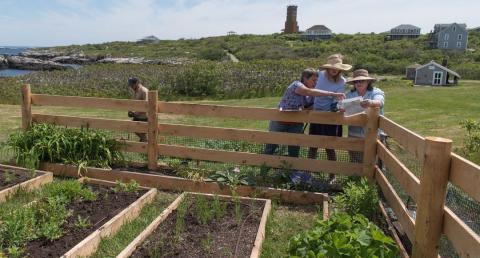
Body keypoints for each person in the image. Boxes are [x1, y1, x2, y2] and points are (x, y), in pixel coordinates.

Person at [264, 68, 345, 158]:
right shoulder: (296, 85)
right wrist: (332, 94)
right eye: (313, 80)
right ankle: (264, 167)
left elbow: (309, 106)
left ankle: (292, 170)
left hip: (296, 123)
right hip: (280, 121)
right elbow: (308, 92)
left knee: (294, 149)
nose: (315, 83)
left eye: (317, 81)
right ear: (305, 78)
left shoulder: (311, 94)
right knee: (271, 146)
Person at [308, 54, 352, 183]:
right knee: (313, 144)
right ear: (327, 67)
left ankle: (332, 175)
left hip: (330, 116)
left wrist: (336, 105)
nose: (334, 69)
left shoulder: (342, 81)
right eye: (332, 67)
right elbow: (309, 88)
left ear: (340, 69)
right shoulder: (319, 75)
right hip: (316, 113)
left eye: (337, 67)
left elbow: (336, 100)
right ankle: (309, 172)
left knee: (330, 146)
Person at [344, 69, 385, 162]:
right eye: (356, 81)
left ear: (368, 82)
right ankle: (355, 176)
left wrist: (371, 102)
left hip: (374, 133)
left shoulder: (376, 92)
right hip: (354, 133)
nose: (359, 83)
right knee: (355, 161)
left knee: (375, 161)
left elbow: (380, 101)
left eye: (362, 81)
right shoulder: (349, 94)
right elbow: (340, 106)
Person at [127, 77, 148, 142]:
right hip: (137, 115)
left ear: (136, 83)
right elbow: (135, 103)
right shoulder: (136, 91)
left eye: (132, 85)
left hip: (144, 116)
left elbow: (146, 106)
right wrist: (131, 111)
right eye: (130, 85)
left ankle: (145, 142)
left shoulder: (144, 91)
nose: (131, 87)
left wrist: (135, 113)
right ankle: (144, 142)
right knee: (133, 128)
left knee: (140, 131)